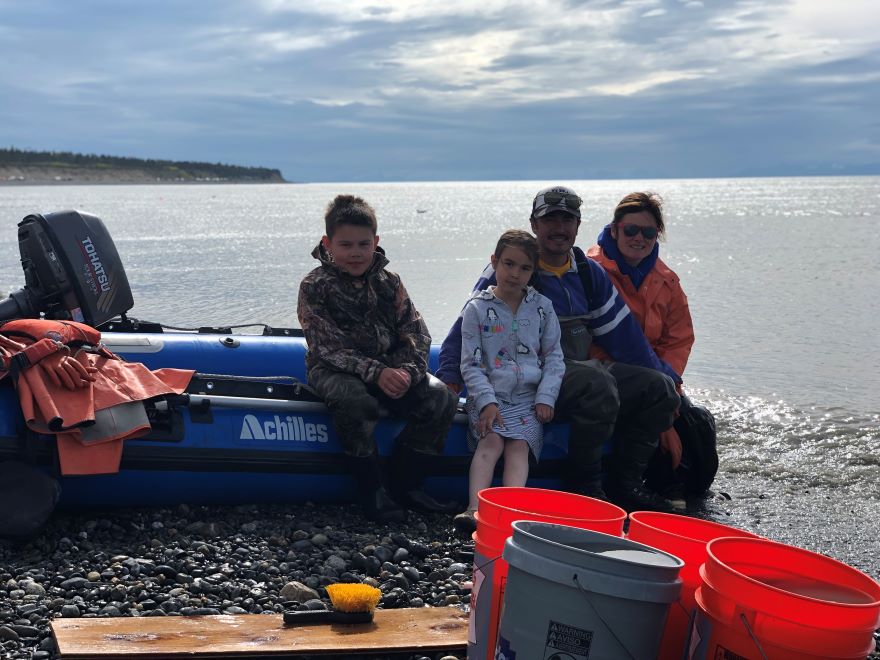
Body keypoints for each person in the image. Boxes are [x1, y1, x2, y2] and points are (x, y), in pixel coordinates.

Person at [436, 186, 680, 511]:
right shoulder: (515, 268)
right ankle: (585, 487)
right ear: (534, 224)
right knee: (598, 384)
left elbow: (629, 343)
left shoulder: (588, 274)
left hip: (574, 376)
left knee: (658, 388)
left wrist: (672, 384)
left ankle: (626, 483)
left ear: (578, 226)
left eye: (567, 220)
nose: (559, 228)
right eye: (550, 219)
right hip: (528, 381)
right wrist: (449, 381)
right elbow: (464, 330)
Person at [297, 194, 458, 522]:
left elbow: (416, 333)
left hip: (389, 368)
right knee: (354, 400)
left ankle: (406, 486)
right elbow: (327, 346)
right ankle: (372, 491)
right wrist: (376, 373)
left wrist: (407, 372)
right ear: (328, 243)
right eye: (345, 245)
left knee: (440, 397)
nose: (355, 253)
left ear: (376, 242)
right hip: (334, 370)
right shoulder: (314, 286)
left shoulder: (391, 283)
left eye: (363, 244)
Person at [588, 192, 712, 503]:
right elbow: (590, 338)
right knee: (659, 402)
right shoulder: (592, 271)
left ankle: (675, 486)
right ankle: (625, 486)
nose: (638, 238)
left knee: (693, 426)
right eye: (631, 230)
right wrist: (655, 383)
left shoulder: (666, 280)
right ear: (615, 229)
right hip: (604, 370)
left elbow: (679, 338)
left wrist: (669, 378)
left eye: (648, 232)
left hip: (656, 373)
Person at [452, 230, 565, 533]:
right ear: (494, 262)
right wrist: (486, 401)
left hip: (528, 398)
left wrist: (546, 397)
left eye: (525, 268)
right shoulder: (476, 308)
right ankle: (474, 508)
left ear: (533, 271)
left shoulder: (543, 308)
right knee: (491, 441)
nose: (515, 274)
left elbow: (554, 356)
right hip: (488, 395)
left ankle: (510, 510)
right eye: (508, 264)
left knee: (518, 446)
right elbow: (470, 363)